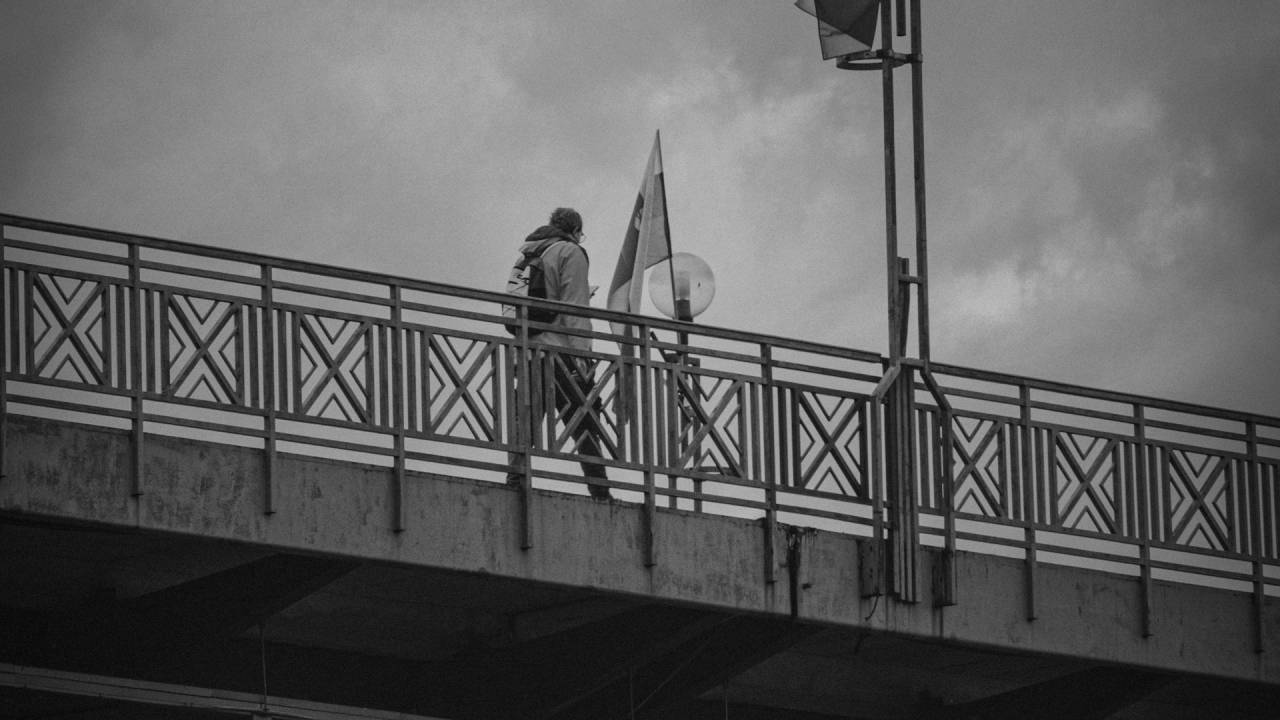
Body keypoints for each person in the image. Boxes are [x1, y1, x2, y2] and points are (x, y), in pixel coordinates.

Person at [508, 207, 612, 499]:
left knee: (527, 420)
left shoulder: (528, 254)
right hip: (560, 354)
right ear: (575, 231)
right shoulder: (570, 252)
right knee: (584, 420)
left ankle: (514, 480)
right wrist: (583, 358)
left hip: (529, 352)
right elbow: (574, 309)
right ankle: (600, 492)